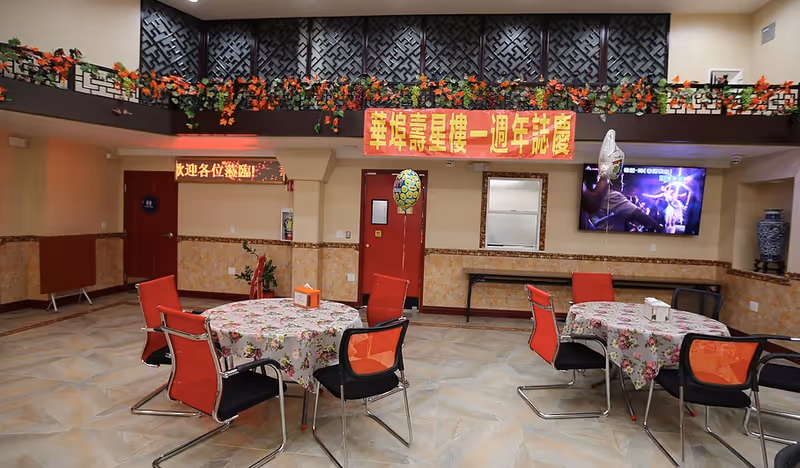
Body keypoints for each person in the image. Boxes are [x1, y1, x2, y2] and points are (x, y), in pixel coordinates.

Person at [581, 176, 662, 232]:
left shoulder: (597, 194)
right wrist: (656, 226)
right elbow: (638, 214)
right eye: (620, 179)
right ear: (610, 181)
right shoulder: (612, 195)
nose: (622, 183)